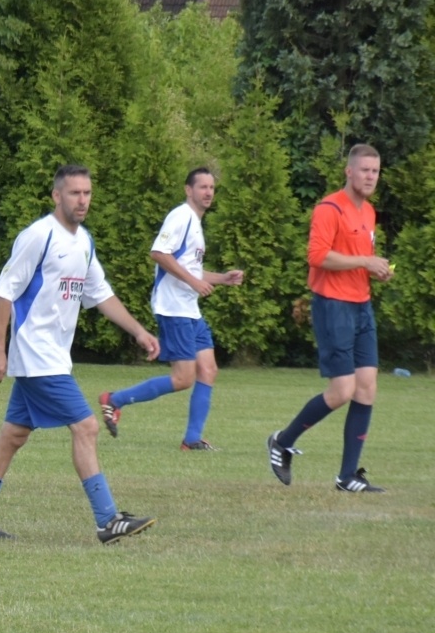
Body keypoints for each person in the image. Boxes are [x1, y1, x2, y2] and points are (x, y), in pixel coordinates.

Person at [0, 164, 160, 544]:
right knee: (86, 426)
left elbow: (100, 295)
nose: (82, 200)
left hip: (51, 357)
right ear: (56, 196)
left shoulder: (84, 242)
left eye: (87, 193)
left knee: (12, 436)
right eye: (74, 193)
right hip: (36, 356)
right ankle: (108, 519)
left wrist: (138, 331)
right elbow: (5, 290)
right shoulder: (39, 236)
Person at [268, 144, 394, 493]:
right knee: (342, 391)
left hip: (361, 305)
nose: (370, 176)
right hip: (333, 307)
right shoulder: (329, 208)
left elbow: (356, 259)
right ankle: (282, 441)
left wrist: (374, 269)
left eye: (375, 171)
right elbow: (317, 256)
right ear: (349, 172)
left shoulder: (368, 212)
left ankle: (347, 476)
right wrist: (365, 262)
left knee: (367, 387)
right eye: (364, 170)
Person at [97, 168, 244, 450]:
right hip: (173, 308)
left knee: (208, 370)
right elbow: (159, 253)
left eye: (212, 187)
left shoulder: (195, 224)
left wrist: (222, 278)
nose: (208, 192)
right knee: (183, 378)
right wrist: (193, 281)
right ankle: (114, 400)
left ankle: (191, 440)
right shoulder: (181, 216)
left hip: (189, 310)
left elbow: (191, 269)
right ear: (188, 190)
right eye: (202, 186)